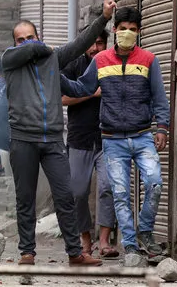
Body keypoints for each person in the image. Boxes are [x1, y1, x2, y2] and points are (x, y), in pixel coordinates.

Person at [1, 0, 116, 267]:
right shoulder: (10, 60)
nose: (27, 43)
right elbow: (32, 51)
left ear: (38, 36)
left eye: (31, 37)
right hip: (23, 139)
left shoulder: (52, 61)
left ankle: (75, 253)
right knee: (25, 199)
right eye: (21, 39)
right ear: (14, 43)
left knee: (66, 197)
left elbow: (81, 45)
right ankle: (27, 252)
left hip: (52, 139)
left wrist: (104, 18)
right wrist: (44, 48)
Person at [60, 6, 168, 264]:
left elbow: (159, 97)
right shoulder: (100, 61)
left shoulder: (149, 60)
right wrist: (55, 76)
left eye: (132, 30)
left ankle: (145, 233)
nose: (127, 33)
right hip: (112, 139)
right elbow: (80, 87)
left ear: (139, 32)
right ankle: (130, 245)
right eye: (123, 29)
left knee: (154, 183)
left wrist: (162, 127)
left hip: (142, 136)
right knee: (119, 194)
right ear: (116, 30)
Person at [61, 28, 118, 259]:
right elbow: (62, 98)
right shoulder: (74, 66)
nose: (95, 48)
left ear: (106, 44)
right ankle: (85, 240)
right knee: (77, 192)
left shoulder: (113, 65)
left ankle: (104, 241)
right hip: (79, 138)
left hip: (109, 138)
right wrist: (92, 93)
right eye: (92, 43)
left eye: (100, 43)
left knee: (108, 188)